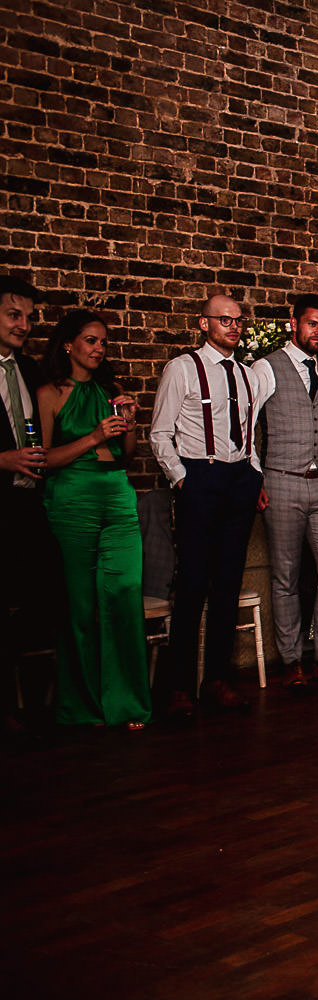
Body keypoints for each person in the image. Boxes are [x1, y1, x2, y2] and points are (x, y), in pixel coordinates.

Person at [149, 292, 263, 717]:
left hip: (238, 481)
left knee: (228, 585)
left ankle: (217, 680)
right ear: (204, 324)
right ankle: (179, 688)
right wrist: (183, 480)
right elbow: (160, 434)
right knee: (193, 583)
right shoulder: (182, 369)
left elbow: (250, 433)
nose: (234, 327)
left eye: (238, 321)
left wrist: (254, 473)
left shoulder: (250, 375)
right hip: (201, 476)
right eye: (224, 320)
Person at [36, 311, 150, 729]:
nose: (99, 348)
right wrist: (95, 436)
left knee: (124, 596)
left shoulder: (112, 391)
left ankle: (126, 703)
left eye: (103, 342)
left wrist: (130, 426)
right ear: (69, 345)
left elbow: (128, 453)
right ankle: (83, 707)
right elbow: (43, 460)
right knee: (80, 605)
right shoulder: (49, 394)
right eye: (90, 341)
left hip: (117, 494)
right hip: (72, 497)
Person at [249, 294, 318, 688]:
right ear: (293, 323)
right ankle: (293, 661)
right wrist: (255, 475)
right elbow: (247, 425)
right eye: (313, 324)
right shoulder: (266, 367)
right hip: (281, 481)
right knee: (286, 576)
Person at [0, 275, 59, 740]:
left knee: (28, 605)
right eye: (13, 314)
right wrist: (2, 459)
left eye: (28, 317)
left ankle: (29, 705)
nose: (24, 325)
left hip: (25, 504)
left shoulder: (29, 371)